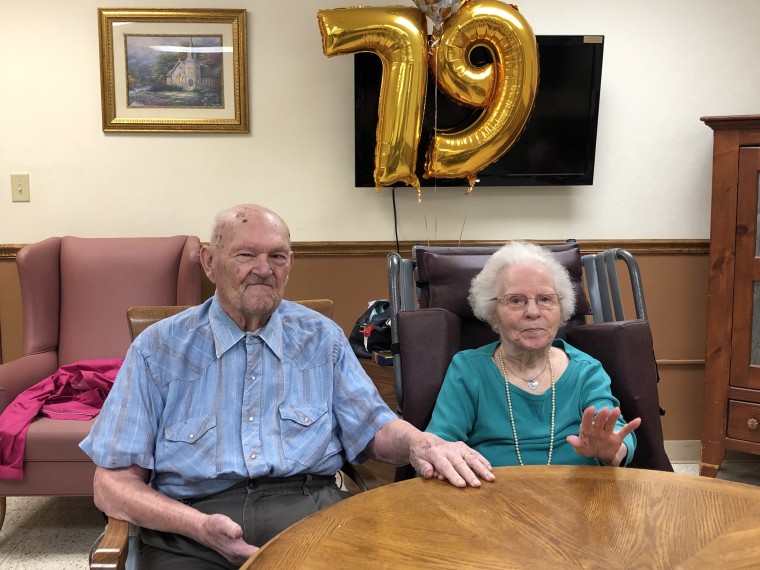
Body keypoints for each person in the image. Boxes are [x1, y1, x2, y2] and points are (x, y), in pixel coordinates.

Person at [80, 204, 493, 569]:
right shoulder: (158, 348)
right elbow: (112, 484)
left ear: (290, 263)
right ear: (209, 262)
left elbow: (373, 427)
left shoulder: (322, 338)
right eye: (245, 255)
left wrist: (423, 443)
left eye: (276, 256)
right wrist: (200, 527)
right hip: (189, 529)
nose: (263, 268)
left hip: (310, 513)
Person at [425, 241, 641, 468]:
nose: (533, 312)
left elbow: (614, 431)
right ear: (493, 316)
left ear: (562, 311)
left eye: (545, 299)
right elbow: (440, 446)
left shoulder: (586, 370)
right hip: (491, 496)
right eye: (516, 300)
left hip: (579, 497)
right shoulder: (468, 370)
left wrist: (610, 451)